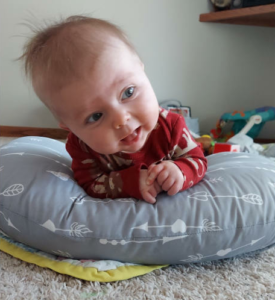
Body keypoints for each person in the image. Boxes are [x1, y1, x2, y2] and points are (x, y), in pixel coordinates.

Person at [20, 15, 207, 204]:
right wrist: (130, 182)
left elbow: (198, 159)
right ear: (70, 127)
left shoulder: (171, 125)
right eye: (96, 116)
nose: (121, 119)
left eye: (128, 92)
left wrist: (180, 171)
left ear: (142, 70)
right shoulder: (82, 146)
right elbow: (91, 182)